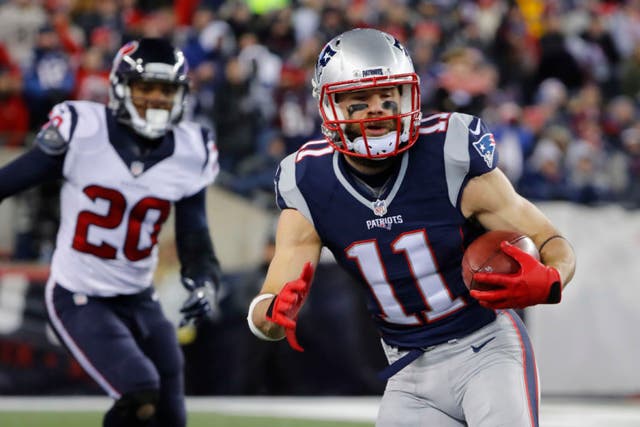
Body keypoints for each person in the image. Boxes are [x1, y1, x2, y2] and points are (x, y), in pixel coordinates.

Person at [247, 28, 576, 427]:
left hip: (487, 350)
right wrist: (271, 315)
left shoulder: (449, 153)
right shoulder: (308, 181)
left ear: (409, 95)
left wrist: (551, 278)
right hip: (409, 372)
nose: (378, 110)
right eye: (360, 101)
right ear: (329, 107)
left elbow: (551, 240)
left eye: (388, 97)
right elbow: (269, 305)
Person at [0, 38, 222, 427]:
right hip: (79, 294)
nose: (156, 98)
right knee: (140, 390)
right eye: (145, 88)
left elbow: (194, 231)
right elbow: (12, 180)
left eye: (166, 89)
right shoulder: (83, 130)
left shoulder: (192, 149)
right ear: (121, 88)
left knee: (171, 414)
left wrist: (203, 279)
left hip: (139, 297)